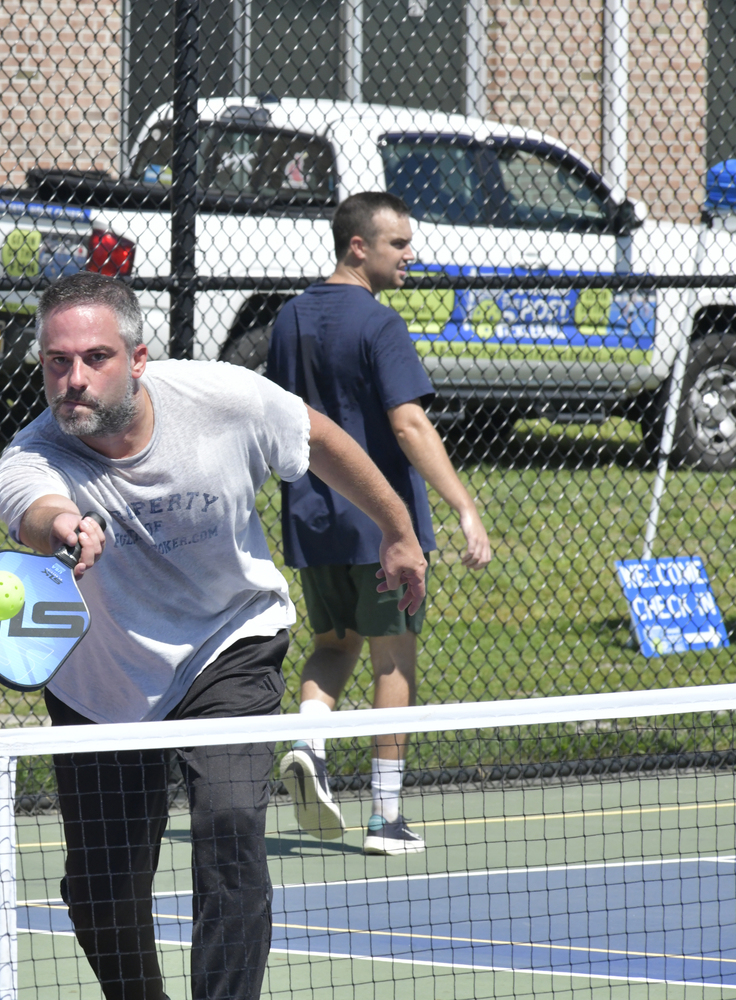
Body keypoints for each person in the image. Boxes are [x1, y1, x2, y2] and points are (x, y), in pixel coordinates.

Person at [0, 270, 428, 1000]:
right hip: (103, 683)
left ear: (137, 359)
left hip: (228, 643)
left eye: (95, 358)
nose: (74, 379)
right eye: (56, 362)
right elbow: (34, 509)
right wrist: (61, 525)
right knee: (100, 889)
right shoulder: (32, 457)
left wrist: (398, 528)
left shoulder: (223, 398)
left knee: (228, 823)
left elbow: (317, 438)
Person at [266, 191, 492, 856]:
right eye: (399, 243)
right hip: (383, 530)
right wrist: (463, 505)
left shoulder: (287, 319)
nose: (410, 254)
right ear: (358, 247)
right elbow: (408, 422)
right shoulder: (382, 324)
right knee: (394, 660)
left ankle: (309, 743)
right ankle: (385, 816)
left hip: (312, 518)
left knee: (334, 644)